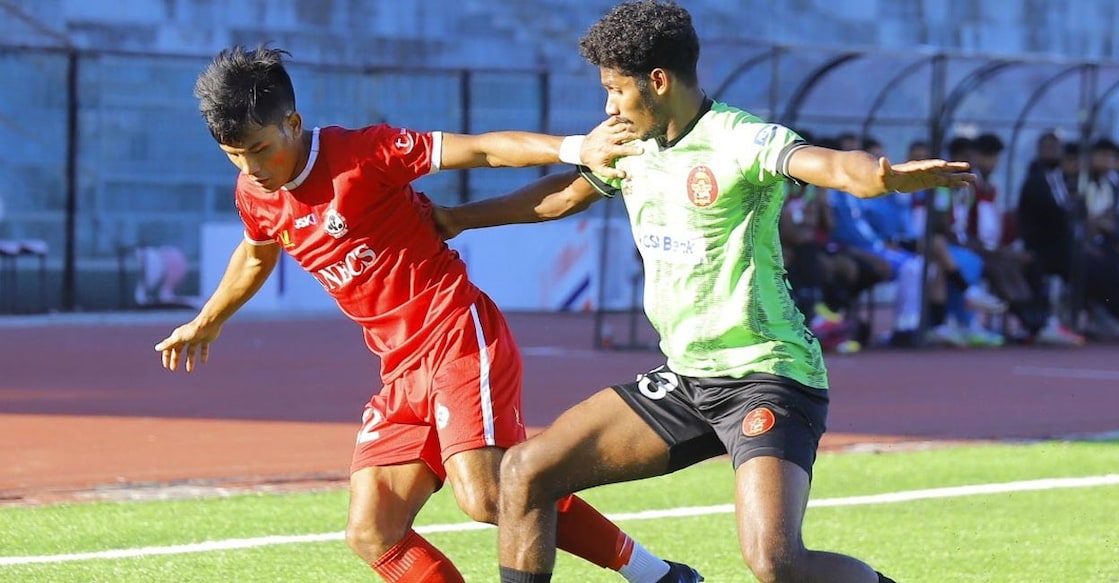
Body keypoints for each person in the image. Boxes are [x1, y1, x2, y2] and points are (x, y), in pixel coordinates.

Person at [434, 2, 973, 581]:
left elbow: (832, 166)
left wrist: (879, 177)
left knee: (776, 562)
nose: (608, 106)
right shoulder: (631, 146)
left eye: (616, 90)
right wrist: (454, 220)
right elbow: (562, 196)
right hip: (688, 378)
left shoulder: (740, 138)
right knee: (525, 472)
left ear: (658, 81)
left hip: (767, 375)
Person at [154, 46, 702, 583]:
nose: (251, 167)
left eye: (259, 148)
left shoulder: (363, 153)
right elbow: (256, 254)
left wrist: (576, 147)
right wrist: (208, 319)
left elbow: (482, 150)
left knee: (488, 495)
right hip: (399, 370)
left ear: (292, 124)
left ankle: (657, 576)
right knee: (373, 530)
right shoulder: (254, 193)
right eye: (234, 155)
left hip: (455, 335)